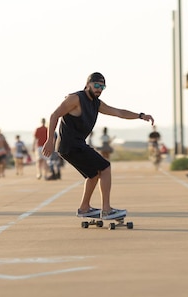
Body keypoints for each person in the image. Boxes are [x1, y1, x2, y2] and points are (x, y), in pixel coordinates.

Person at [42, 72, 154, 220]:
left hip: (76, 145)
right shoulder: (75, 98)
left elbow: (118, 112)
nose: (99, 89)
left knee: (94, 174)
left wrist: (140, 115)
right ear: (88, 84)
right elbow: (54, 115)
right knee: (105, 167)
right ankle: (106, 210)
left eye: (102, 87)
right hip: (70, 145)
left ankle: (84, 208)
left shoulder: (96, 104)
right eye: (96, 85)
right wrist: (50, 139)